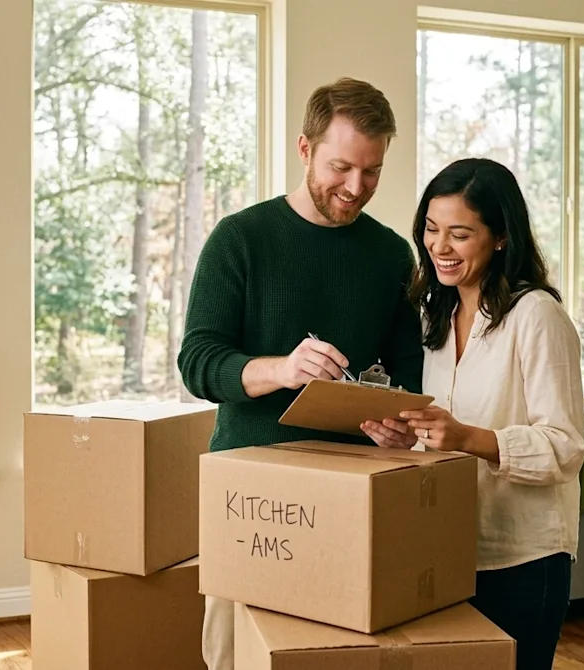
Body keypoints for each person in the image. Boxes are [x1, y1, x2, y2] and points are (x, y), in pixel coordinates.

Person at [177, 77, 424, 670]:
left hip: (352, 492)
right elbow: (198, 361)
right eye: (342, 167)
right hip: (253, 494)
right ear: (305, 148)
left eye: (372, 172)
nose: (355, 187)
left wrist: (396, 425)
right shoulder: (240, 239)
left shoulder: (391, 255)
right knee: (237, 654)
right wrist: (282, 368)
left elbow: (404, 373)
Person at [362, 157, 584, 670]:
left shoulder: (537, 316)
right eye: (431, 230)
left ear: (501, 237)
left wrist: (466, 437)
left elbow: (566, 446)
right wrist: (404, 438)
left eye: (459, 234)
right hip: (447, 547)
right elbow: (437, 435)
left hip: (524, 557)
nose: (439, 247)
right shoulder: (434, 315)